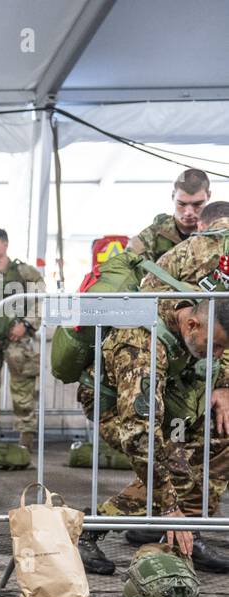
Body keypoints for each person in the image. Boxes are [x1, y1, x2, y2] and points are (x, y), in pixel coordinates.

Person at [77, 202, 229, 575]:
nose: (217, 355)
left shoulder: (194, 321)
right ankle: (80, 531)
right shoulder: (142, 346)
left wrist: (222, 386)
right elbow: (139, 434)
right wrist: (169, 505)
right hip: (113, 405)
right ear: (191, 326)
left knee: (209, 444)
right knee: (166, 463)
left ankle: (184, 531)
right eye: (216, 346)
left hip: (164, 396)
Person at [0, 228, 46, 452]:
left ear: (5, 244)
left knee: (23, 389)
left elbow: (40, 299)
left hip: (17, 340)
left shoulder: (25, 272)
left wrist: (27, 324)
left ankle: (26, 437)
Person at [126, 168, 211, 260]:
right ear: (173, 196)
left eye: (197, 204)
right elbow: (124, 269)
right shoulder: (151, 237)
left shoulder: (219, 235)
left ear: (209, 196)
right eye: (181, 204)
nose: (188, 212)